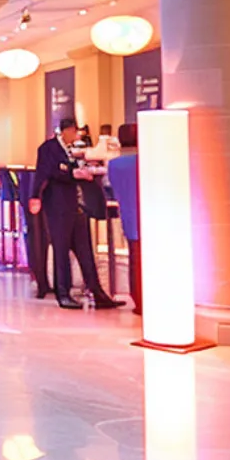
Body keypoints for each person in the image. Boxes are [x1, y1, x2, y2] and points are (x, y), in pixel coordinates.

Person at [30, 118, 124, 310]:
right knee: (61, 250)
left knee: (85, 250)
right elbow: (48, 172)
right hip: (57, 207)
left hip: (75, 207)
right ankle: (63, 293)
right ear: (66, 131)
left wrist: (80, 172)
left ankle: (98, 294)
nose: (76, 136)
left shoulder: (70, 151)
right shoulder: (48, 149)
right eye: (74, 132)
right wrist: (35, 196)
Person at [105, 123, 142, 316]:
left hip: (128, 215)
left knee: (134, 260)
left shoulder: (114, 164)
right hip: (147, 217)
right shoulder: (145, 161)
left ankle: (137, 298)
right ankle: (146, 300)